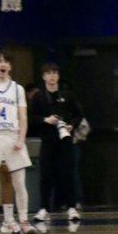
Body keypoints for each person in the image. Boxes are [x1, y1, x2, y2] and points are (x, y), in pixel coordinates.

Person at [27, 63, 82, 224]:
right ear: (43, 76)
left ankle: (71, 207)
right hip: (47, 141)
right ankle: (44, 208)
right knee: (46, 175)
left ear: (58, 76)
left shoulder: (67, 95)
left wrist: (72, 125)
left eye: (54, 73)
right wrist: (46, 120)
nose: (52, 76)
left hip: (65, 141)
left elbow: (78, 115)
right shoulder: (38, 97)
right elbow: (31, 118)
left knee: (68, 174)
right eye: (48, 73)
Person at [0, 53, 36, 234]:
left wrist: (21, 138)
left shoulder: (17, 89)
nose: (3, 64)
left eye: (6, 62)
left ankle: (23, 220)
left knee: (19, 182)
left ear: (10, 66)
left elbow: (23, 116)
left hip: (12, 136)